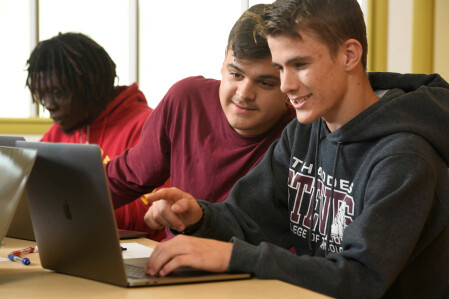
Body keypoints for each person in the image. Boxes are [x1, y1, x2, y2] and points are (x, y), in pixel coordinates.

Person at [141, 0, 449, 298]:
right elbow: (249, 222)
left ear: (349, 55)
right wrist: (198, 217)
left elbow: (360, 279)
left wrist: (235, 257)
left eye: (299, 65)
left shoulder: (405, 155)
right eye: (279, 68)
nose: (286, 85)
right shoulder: (304, 131)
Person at [106, 4, 295, 228]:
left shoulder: (303, 134)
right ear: (224, 60)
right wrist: (62, 195)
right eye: (236, 74)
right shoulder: (186, 99)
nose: (243, 94)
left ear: (290, 80)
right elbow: (126, 178)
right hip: (175, 260)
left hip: (250, 263)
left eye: (265, 83)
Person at [25, 32, 167, 241]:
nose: (49, 104)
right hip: (77, 245)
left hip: (140, 255)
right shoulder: (59, 132)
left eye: (57, 93)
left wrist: (69, 205)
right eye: (42, 95)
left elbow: (156, 214)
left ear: (90, 84)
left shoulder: (145, 126)